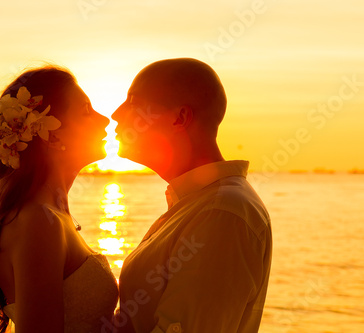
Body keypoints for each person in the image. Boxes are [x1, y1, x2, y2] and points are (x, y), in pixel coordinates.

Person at [110, 58, 272, 333]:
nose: (116, 114)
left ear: (180, 118)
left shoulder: (221, 213)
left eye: (133, 102)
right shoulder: (197, 203)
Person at [0, 66, 118, 333]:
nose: (104, 119)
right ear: (50, 134)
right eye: (86, 111)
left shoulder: (52, 214)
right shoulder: (39, 221)